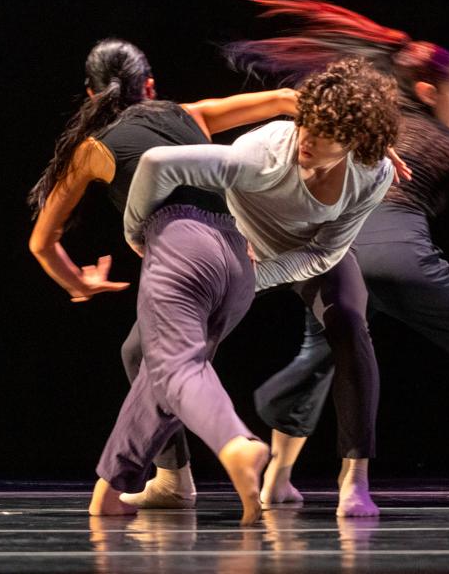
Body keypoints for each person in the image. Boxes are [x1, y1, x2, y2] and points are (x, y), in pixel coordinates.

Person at [227, 0, 449, 508]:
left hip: (331, 258)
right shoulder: (445, 139)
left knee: (321, 357)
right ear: (427, 91)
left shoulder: (364, 125)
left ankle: (276, 480)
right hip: (399, 260)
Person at [113, 56, 404, 518]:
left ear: (355, 142)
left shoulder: (372, 173)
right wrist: (137, 232)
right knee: (141, 350)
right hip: (239, 245)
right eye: (305, 122)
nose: (306, 137)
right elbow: (157, 163)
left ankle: (355, 480)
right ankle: (172, 478)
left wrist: (259, 277)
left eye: (325, 132)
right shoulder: (264, 155)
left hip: (309, 253)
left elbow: (327, 251)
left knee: (350, 321)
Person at [28, 37, 299, 512]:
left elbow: (41, 242)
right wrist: (368, 146)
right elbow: (286, 100)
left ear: (91, 95)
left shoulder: (91, 148)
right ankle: (171, 479)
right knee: (141, 353)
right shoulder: (191, 114)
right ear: (149, 86)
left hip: (183, 253)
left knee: (176, 367)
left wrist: (80, 284)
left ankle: (234, 444)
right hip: (239, 261)